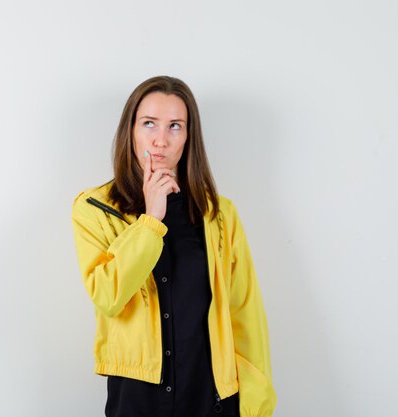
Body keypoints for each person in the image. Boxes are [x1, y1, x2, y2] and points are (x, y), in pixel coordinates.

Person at [71, 75, 277, 417]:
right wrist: (151, 219)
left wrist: (256, 408)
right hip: (137, 400)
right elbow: (108, 295)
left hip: (210, 399)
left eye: (175, 126)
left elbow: (245, 316)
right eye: (149, 123)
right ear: (131, 131)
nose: (161, 140)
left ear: (188, 137)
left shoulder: (219, 214)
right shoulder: (94, 209)